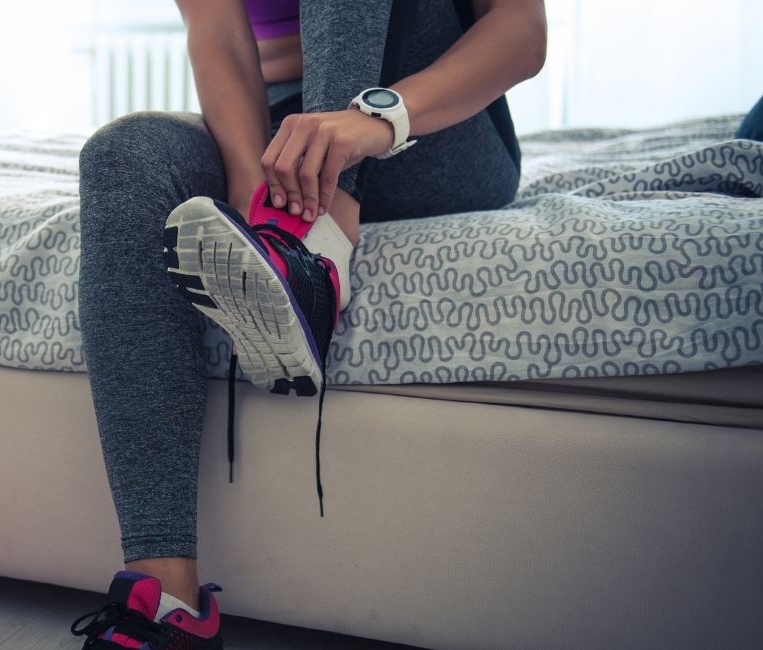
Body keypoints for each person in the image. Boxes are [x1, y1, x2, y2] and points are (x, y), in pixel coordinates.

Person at [70, 1, 547, 647]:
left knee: (346, 130)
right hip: (278, 133)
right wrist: (253, 192)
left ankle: (311, 242)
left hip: (427, 124)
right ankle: (167, 599)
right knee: (125, 154)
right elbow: (219, 36)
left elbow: (523, 33)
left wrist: (367, 124)